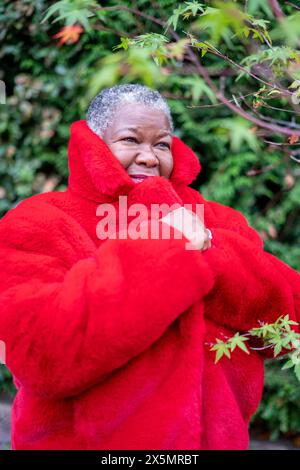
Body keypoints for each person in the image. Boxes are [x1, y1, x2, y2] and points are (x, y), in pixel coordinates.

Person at [0, 84, 299, 450]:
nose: (149, 157)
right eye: (130, 139)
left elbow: (288, 323)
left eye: (161, 144)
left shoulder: (216, 221)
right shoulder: (39, 221)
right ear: (94, 144)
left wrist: (209, 254)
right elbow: (40, 356)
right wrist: (168, 245)